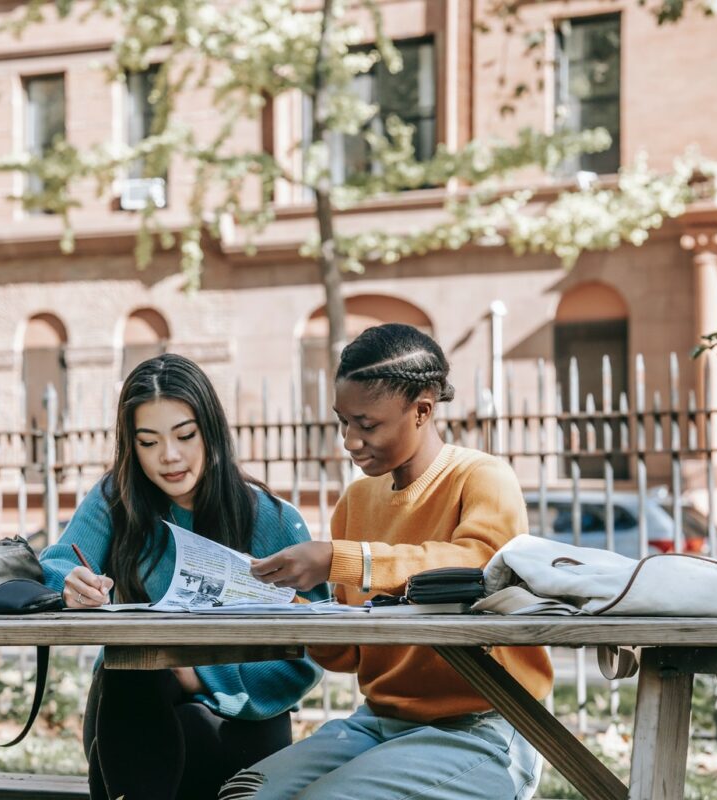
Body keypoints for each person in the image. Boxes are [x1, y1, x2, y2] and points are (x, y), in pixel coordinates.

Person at [221, 323, 553, 800]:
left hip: (485, 727)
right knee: (243, 794)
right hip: (379, 723)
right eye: (343, 421)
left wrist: (342, 559)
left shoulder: (481, 477)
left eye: (367, 424)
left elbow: (479, 565)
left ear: (422, 410)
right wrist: (289, 607)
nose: (349, 440)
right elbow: (353, 653)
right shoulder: (356, 502)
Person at [40, 354, 328, 800]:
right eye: (148, 442)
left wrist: (197, 677)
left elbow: (310, 651)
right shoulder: (115, 501)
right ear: (131, 446)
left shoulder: (271, 519)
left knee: (188, 728)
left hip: (243, 717)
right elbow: (54, 563)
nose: (169, 457)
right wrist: (69, 584)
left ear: (210, 430)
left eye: (185, 435)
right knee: (135, 668)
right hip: (132, 701)